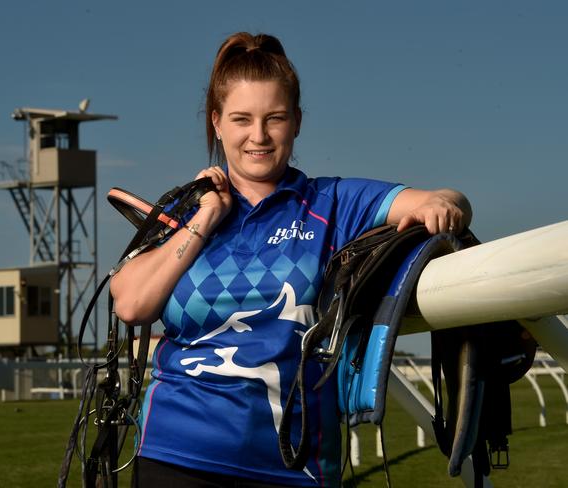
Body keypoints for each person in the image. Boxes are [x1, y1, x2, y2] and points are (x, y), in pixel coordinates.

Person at [110, 32, 471, 488]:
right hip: (176, 455)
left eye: (274, 118)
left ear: (296, 121)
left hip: (293, 466)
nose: (258, 136)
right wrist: (204, 219)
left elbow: (446, 197)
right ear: (217, 123)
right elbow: (131, 304)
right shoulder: (185, 210)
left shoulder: (334, 201)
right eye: (241, 119)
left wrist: (443, 207)